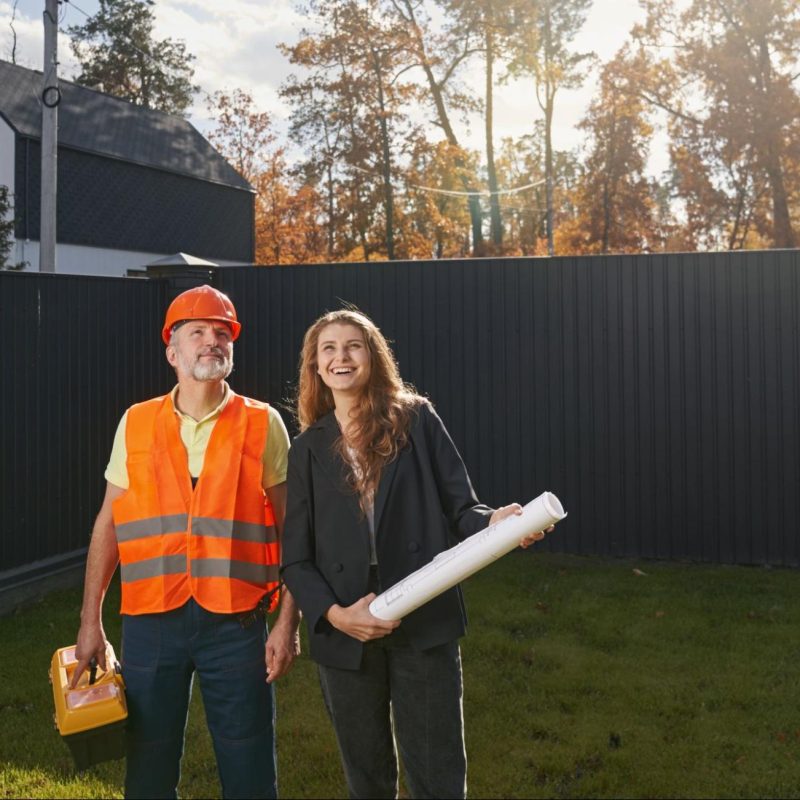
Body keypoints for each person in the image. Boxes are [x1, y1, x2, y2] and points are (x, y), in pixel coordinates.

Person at [281, 308, 551, 799]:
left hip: (423, 610)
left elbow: (462, 508)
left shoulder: (416, 419)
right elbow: (295, 560)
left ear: (373, 356)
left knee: (437, 770)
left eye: (353, 346)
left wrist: (496, 524)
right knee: (367, 777)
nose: (341, 357)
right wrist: (338, 616)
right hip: (346, 624)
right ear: (316, 367)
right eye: (329, 349)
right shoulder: (306, 449)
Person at [71, 285, 300, 800]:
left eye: (222, 333)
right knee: (147, 772)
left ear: (232, 349)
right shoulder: (136, 421)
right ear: (172, 352)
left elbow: (294, 533)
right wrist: (91, 623)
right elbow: (108, 523)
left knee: (249, 770)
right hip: (151, 621)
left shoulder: (265, 423)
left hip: (237, 622)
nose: (211, 341)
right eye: (197, 332)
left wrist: (287, 621)